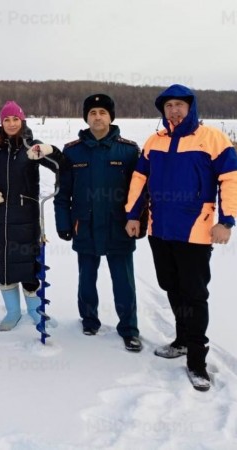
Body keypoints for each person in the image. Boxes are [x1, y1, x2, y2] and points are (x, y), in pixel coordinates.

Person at [125, 84, 237, 391]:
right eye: (169, 106)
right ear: (162, 111)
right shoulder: (154, 141)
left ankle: (197, 360)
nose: (174, 110)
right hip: (160, 230)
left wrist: (226, 220)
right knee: (171, 286)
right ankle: (180, 340)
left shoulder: (212, 139)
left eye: (180, 104)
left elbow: (231, 179)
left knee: (194, 294)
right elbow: (140, 181)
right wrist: (131, 215)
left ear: (191, 107)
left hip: (196, 231)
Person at [54, 94, 143, 352]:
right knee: (86, 278)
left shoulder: (128, 150)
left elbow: (139, 193)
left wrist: (136, 220)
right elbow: (63, 193)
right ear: (86, 117)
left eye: (103, 112)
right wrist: (63, 223)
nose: (97, 117)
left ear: (111, 117)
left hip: (119, 226)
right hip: (85, 225)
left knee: (123, 281)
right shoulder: (72, 151)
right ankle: (89, 320)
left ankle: (129, 328)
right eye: (92, 112)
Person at [0, 101, 64, 331]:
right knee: (4, 269)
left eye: (15, 119)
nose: (11, 123)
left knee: (28, 268)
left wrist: (50, 150)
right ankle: (13, 312)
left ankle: (36, 313)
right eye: (6, 119)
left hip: (26, 220)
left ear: (22, 121)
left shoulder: (32, 147)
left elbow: (60, 165)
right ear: (1, 122)